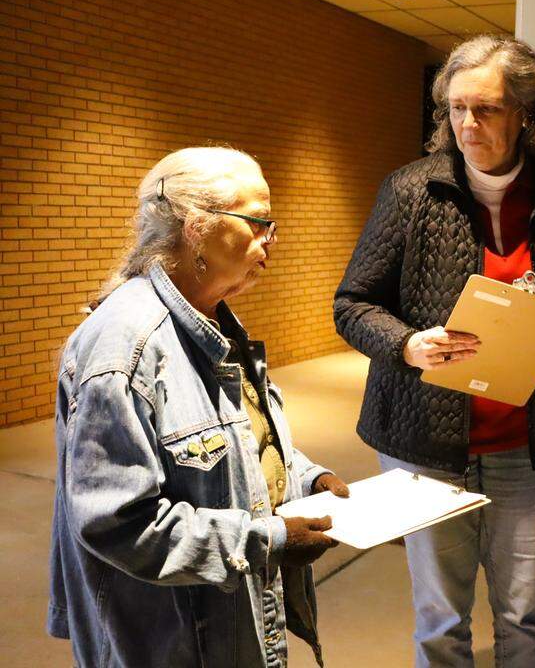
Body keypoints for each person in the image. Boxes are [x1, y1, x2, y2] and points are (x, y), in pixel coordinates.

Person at [334, 35, 535, 667]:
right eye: (456, 108)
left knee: (524, 616)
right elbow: (352, 304)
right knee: (441, 618)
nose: (467, 123)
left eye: (485, 109)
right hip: (424, 442)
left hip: (522, 440)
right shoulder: (410, 191)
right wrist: (405, 345)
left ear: (526, 116)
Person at [48, 147, 349, 667]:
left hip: (226, 631)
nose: (270, 239)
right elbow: (117, 522)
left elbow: (237, 444)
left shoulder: (214, 325)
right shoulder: (125, 349)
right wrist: (265, 542)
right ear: (195, 226)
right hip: (170, 644)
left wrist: (305, 477)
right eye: (257, 221)